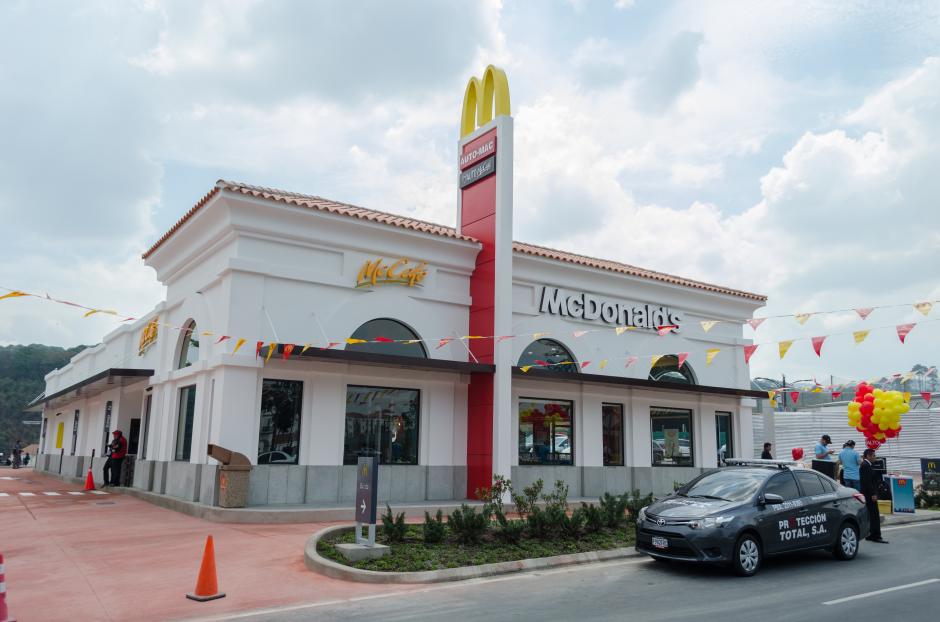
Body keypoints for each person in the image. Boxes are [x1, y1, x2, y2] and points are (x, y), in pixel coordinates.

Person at [860, 448, 888, 543]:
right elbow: (867, 482)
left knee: (872, 514)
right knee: (874, 514)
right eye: (873, 455)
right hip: (869, 494)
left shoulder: (868, 465)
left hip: (869, 493)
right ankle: (876, 535)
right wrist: (873, 494)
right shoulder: (865, 466)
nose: (875, 457)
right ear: (868, 455)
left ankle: (872, 534)